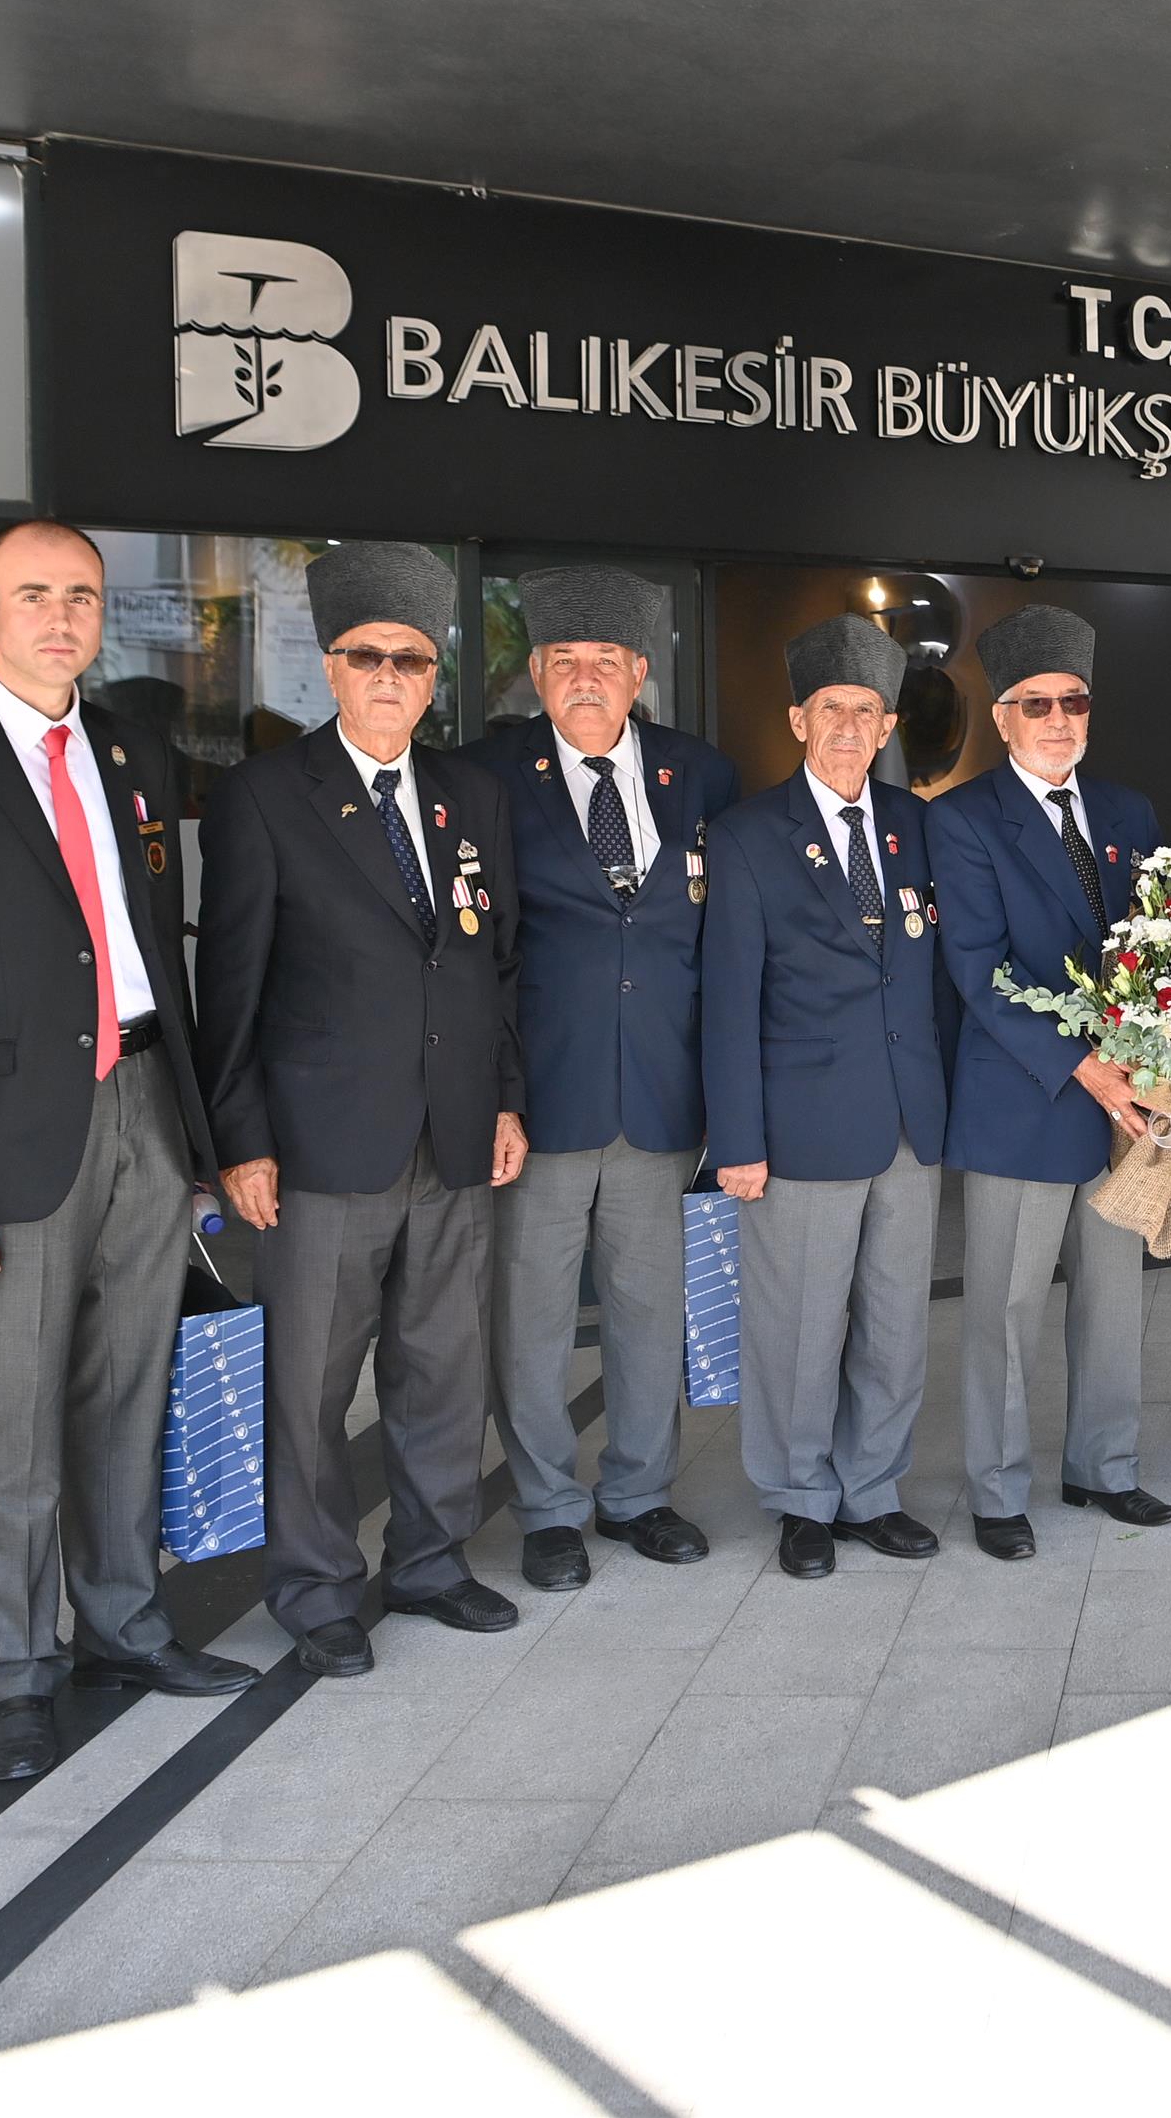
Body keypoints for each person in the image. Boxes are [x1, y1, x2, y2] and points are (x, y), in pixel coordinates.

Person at [0, 520, 257, 1781]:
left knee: (128, 1391)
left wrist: (194, 1129)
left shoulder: (131, 746)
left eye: (80, 595)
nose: (60, 615)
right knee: (15, 1418)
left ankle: (125, 1625)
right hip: (7, 1139)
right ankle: (19, 1671)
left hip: (143, 1102)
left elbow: (159, 948)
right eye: (34, 594)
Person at [196, 541, 529, 1678]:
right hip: (318, 1150)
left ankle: (432, 1561)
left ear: (434, 677)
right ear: (330, 669)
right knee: (310, 1384)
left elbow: (500, 968)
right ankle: (314, 1583)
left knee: (443, 1369)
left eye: (411, 659)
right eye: (366, 655)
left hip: (452, 1134)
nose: (390, 675)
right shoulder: (262, 798)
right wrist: (237, 1138)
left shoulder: (471, 793)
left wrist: (505, 1099)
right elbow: (227, 987)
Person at [468, 567, 739, 1594]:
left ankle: (637, 1492)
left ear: (639, 673)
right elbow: (475, 957)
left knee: (645, 1308)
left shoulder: (699, 773)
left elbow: (725, 941)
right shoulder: (486, 774)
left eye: (606, 663)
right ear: (536, 673)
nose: (586, 679)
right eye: (564, 663)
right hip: (540, 1100)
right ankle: (546, 1509)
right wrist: (495, 1090)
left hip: (662, 1099)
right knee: (531, 1318)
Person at [702, 614, 951, 1581]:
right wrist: (738, 1138)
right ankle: (801, 1496)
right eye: (831, 710)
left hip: (907, 1119)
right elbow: (727, 1000)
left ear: (888, 726)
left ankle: (873, 1487)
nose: (850, 728)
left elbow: (933, 978)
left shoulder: (917, 826)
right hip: (798, 1124)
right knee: (798, 1326)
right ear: (797, 718)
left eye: (867, 712)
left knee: (895, 1323)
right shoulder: (749, 835)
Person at [933, 604, 1171, 1560]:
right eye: (1034, 703)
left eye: (1072, 700)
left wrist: (1169, 1054)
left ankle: (1103, 1468)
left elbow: (1162, 951)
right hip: (1025, 1099)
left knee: (1115, 1300)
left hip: (1125, 1109)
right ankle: (998, 1492)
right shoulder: (959, 820)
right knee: (1003, 1307)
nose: (1056, 717)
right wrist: (1086, 1060)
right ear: (1001, 718)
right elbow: (979, 967)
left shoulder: (1128, 812)